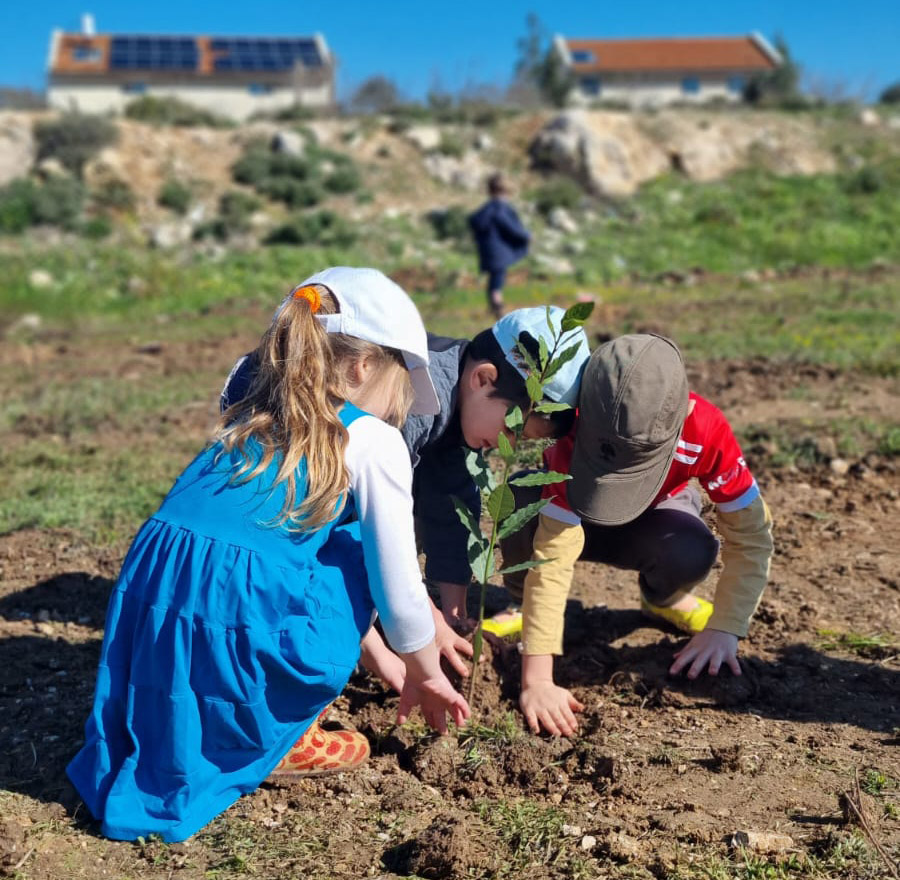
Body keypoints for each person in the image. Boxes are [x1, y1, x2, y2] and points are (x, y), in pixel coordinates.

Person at [67, 267, 470, 843]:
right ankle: (275, 730)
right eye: (400, 388)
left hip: (149, 603)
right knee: (350, 548)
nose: (399, 411)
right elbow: (400, 592)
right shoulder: (371, 441)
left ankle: (190, 726)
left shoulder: (244, 417)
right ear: (361, 368)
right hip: (232, 610)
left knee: (304, 549)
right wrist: (424, 674)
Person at [222, 306, 591, 641]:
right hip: (270, 447)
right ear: (483, 378)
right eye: (512, 429)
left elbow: (451, 501)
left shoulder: (460, 401)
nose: (503, 446)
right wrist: (419, 620)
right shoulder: (413, 400)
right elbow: (371, 524)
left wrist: (452, 609)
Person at [501, 334, 774, 737]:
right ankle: (524, 607)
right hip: (579, 510)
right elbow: (552, 555)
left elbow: (751, 535)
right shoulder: (575, 432)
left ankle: (662, 598)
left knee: (691, 546)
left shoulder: (706, 430)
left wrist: (725, 627)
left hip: (655, 516)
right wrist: (537, 678)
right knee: (521, 501)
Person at [469, 172, 530, 318]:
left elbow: (474, 221)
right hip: (500, 250)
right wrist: (525, 235)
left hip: (488, 249)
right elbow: (510, 227)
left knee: (494, 277)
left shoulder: (485, 209)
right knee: (498, 277)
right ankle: (498, 305)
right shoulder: (500, 209)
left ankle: (494, 304)